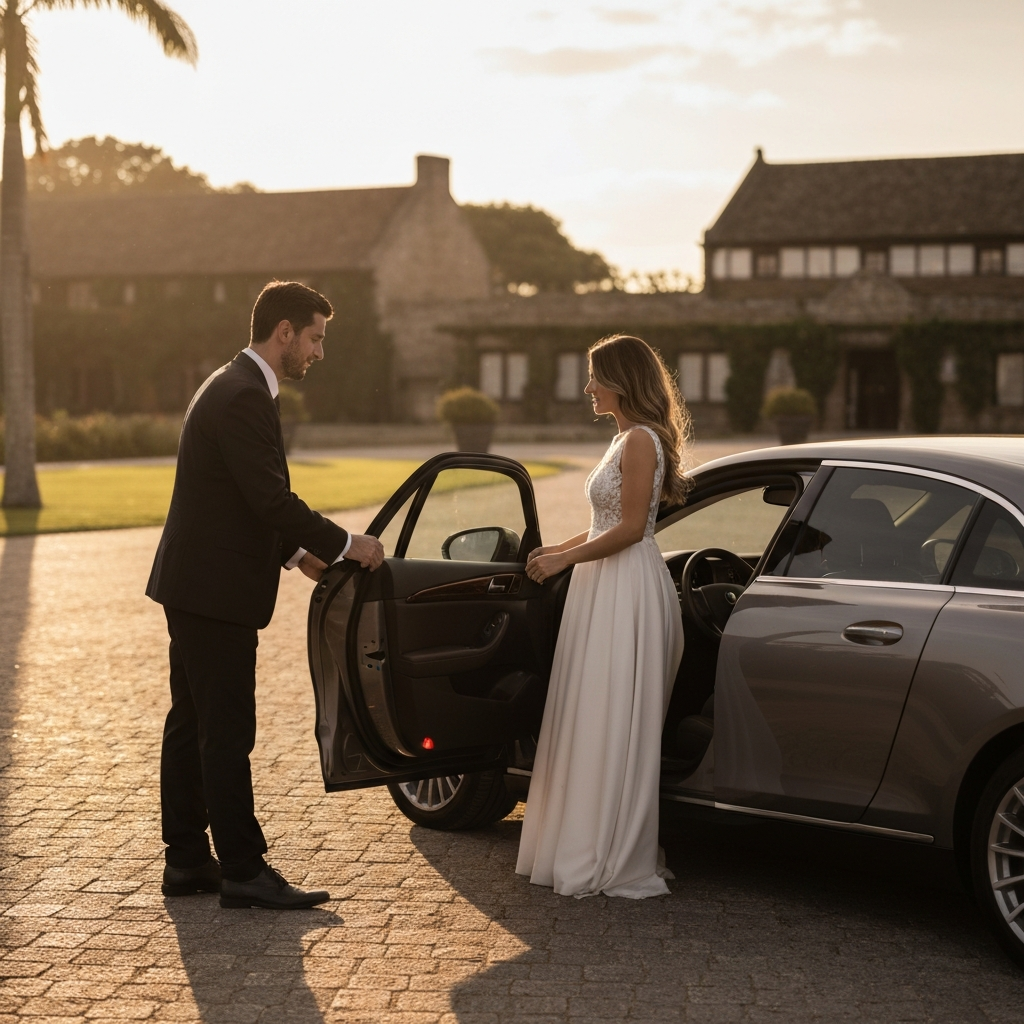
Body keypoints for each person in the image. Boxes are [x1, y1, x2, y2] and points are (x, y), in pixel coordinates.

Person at [146, 280, 384, 909]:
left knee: (191, 722)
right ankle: (244, 871)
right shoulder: (244, 395)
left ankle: (189, 861)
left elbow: (240, 500)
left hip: (195, 583)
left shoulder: (230, 385)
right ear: (284, 332)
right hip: (214, 590)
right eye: (315, 337)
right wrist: (345, 544)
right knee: (224, 730)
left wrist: (299, 554)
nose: (319, 352)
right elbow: (270, 499)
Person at [516, 334, 689, 898]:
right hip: (604, 583)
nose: (587, 387)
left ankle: (609, 848)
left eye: (594, 376)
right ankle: (580, 835)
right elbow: (603, 523)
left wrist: (566, 558)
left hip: (628, 590)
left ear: (620, 380)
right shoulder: (623, 438)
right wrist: (555, 549)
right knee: (590, 708)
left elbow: (633, 528)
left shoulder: (640, 440)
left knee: (614, 713)